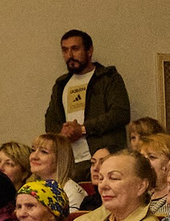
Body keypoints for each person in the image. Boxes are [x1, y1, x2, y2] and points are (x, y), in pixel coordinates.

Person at [43, 30, 130, 167]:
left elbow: (120, 114)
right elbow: (50, 120)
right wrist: (63, 132)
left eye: (75, 49)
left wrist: (83, 129)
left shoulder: (108, 78)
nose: (70, 55)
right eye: (65, 50)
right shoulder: (61, 84)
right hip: (68, 161)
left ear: (89, 50)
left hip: (103, 159)